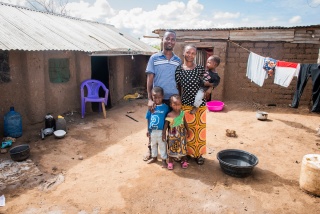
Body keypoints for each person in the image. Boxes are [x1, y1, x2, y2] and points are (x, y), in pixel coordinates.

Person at [143, 30, 181, 161]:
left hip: (172, 100)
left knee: (171, 126)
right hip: (157, 99)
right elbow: (150, 79)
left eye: (172, 39)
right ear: (163, 40)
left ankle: (172, 151)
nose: (170, 41)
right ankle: (150, 149)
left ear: (175, 42)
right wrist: (149, 99)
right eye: (167, 38)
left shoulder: (178, 60)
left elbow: (179, 80)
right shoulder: (154, 58)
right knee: (154, 125)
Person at [175, 44, 207, 165]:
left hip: (199, 105)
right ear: (184, 52)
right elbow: (178, 87)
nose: (190, 55)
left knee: (199, 131)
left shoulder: (199, 68)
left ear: (195, 55)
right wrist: (178, 102)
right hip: (186, 103)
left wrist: (206, 92)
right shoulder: (179, 69)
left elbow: (207, 84)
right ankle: (187, 153)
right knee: (187, 131)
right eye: (188, 52)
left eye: (193, 53)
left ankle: (198, 154)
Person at [162, 94, 189, 170]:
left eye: (178, 105)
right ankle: (170, 161)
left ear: (181, 105)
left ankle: (183, 161)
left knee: (183, 147)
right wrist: (164, 134)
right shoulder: (169, 115)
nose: (177, 107)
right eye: (174, 105)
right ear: (171, 105)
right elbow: (166, 125)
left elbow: (185, 122)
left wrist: (188, 130)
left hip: (182, 135)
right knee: (171, 148)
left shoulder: (182, 113)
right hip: (172, 136)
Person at [145, 86, 170, 168]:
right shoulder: (151, 107)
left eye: (159, 97)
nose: (157, 99)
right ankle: (154, 157)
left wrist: (164, 132)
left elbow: (167, 120)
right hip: (152, 131)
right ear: (152, 96)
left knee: (162, 145)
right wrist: (148, 130)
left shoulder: (165, 107)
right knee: (153, 145)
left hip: (160, 131)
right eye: (154, 97)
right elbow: (148, 119)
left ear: (162, 97)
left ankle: (164, 160)